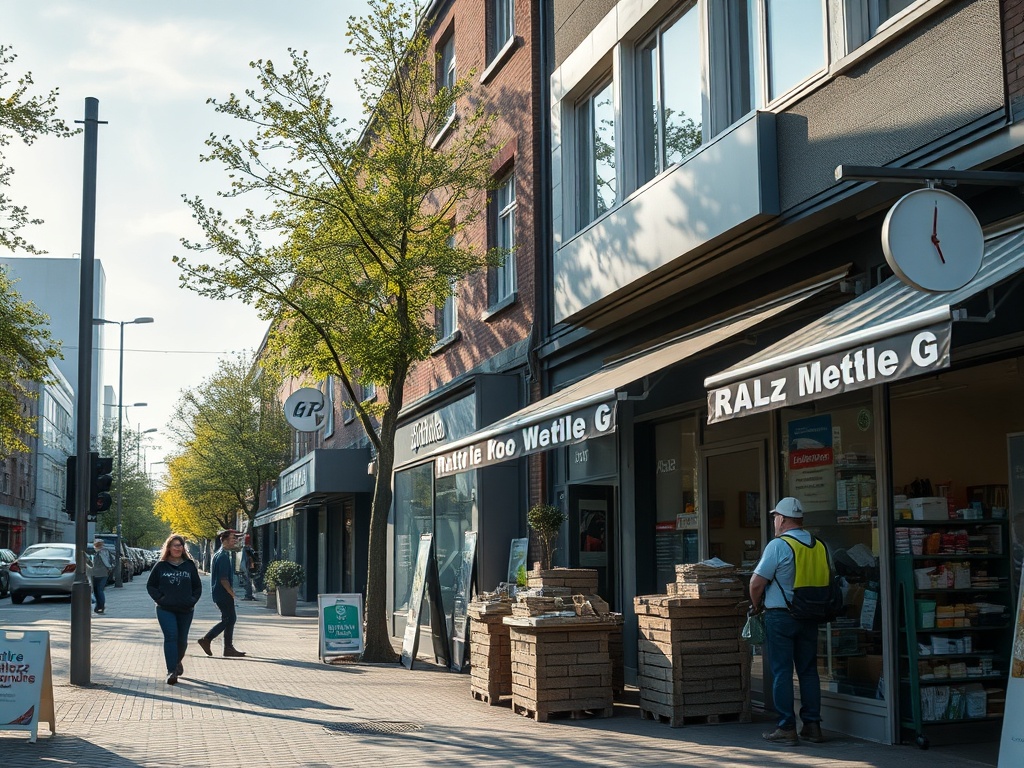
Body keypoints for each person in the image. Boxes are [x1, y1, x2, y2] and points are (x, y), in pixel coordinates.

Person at [748, 497, 824, 746]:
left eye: (775, 517)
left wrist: (756, 605)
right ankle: (812, 726)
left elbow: (756, 583)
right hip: (810, 616)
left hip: (781, 616)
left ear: (781, 519)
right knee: (808, 671)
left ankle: (786, 727)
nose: (774, 522)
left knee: (781, 672)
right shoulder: (819, 545)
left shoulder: (778, 546)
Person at [146, 534, 203, 685]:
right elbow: (151, 585)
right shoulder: (161, 566)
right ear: (169, 548)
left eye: (180, 545)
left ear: (183, 548)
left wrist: (192, 600)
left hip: (186, 609)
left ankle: (177, 661)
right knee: (171, 636)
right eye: (174, 545)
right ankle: (171, 671)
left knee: (182, 640)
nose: (178, 548)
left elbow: (197, 586)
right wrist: (160, 598)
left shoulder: (189, 565)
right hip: (165, 609)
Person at [197, 529, 246, 658]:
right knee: (228, 619)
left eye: (235, 538)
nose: (235, 541)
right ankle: (207, 639)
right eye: (232, 539)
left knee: (230, 619)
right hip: (223, 593)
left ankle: (228, 648)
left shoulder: (219, 554)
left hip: (218, 593)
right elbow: (223, 579)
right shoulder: (223, 556)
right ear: (224, 540)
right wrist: (232, 593)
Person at [91, 538, 113, 614]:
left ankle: (100, 606)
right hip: (102, 573)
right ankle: (99, 606)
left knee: (98, 590)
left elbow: (105, 561)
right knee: (98, 591)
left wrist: (108, 567)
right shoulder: (104, 551)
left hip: (99, 573)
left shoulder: (101, 552)